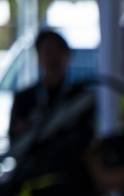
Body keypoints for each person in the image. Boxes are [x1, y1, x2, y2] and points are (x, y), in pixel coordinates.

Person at [9, 29, 95, 179]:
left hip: (71, 179)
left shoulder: (82, 98)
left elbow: (86, 140)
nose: (53, 58)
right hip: (31, 180)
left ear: (68, 56)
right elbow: (15, 142)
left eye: (59, 51)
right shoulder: (25, 98)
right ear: (39, 57)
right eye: (47, 51)